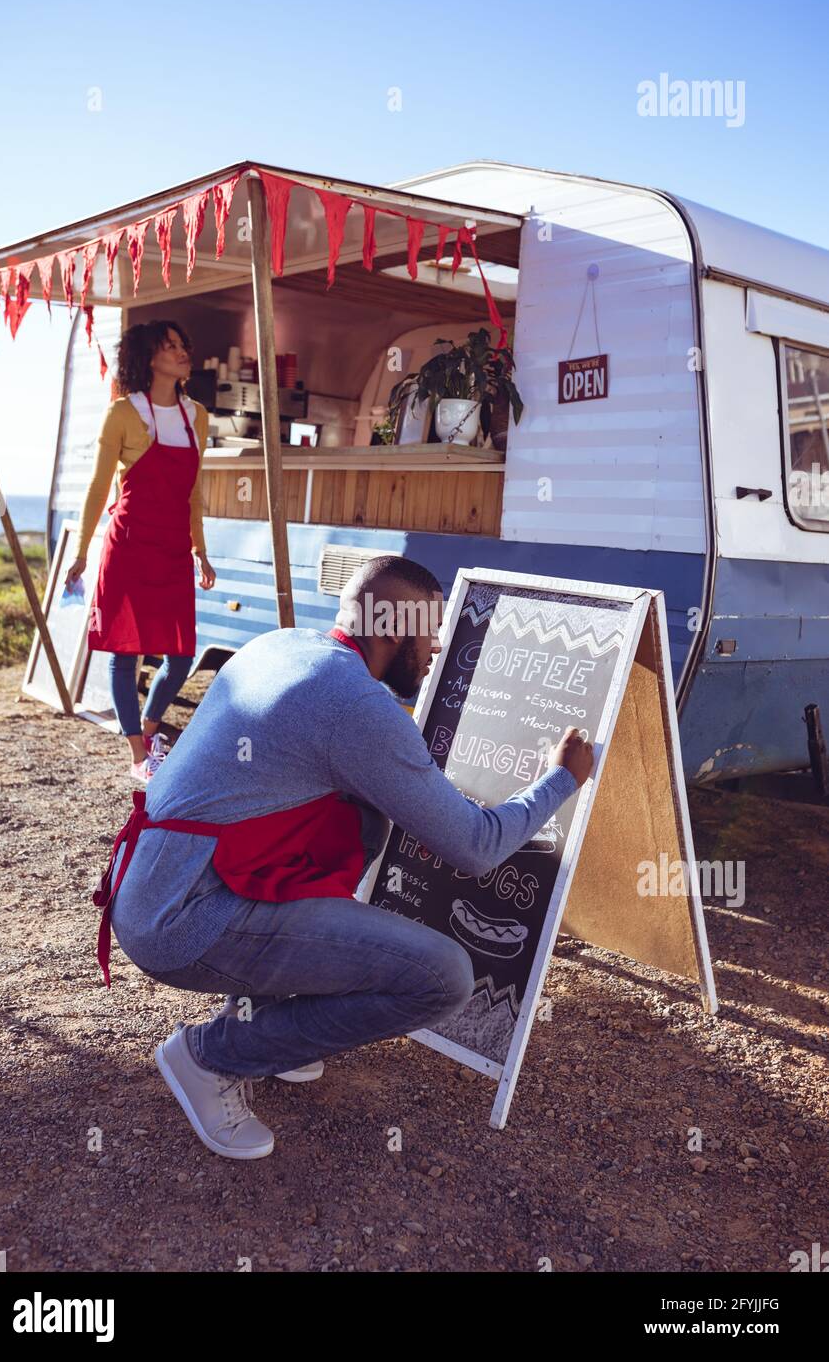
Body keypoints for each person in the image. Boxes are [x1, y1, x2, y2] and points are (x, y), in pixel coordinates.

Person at [92, 555, 594, 1160]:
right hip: (182, 922)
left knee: (358, 820)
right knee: (443, 977)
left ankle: (264, 1020)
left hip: (155, 885)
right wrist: (561, 780)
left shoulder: (283, 647)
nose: (437, 648)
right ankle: (211, 1057)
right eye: (430, 630)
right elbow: (475, 846)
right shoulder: (354, 707)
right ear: (392, 628)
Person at [64, 320, 216, 784]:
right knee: (124, 652)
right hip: (128, 547)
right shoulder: (122, 414)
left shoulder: (198, 416)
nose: (180, 351)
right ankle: (137, 754)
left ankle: (150, 732)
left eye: (181, 343)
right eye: (169, 346)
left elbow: (193, 491)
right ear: (148, 358)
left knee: (181, 656)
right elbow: (96, 489)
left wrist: (200, 550)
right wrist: (82, 552)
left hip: (171, 550)